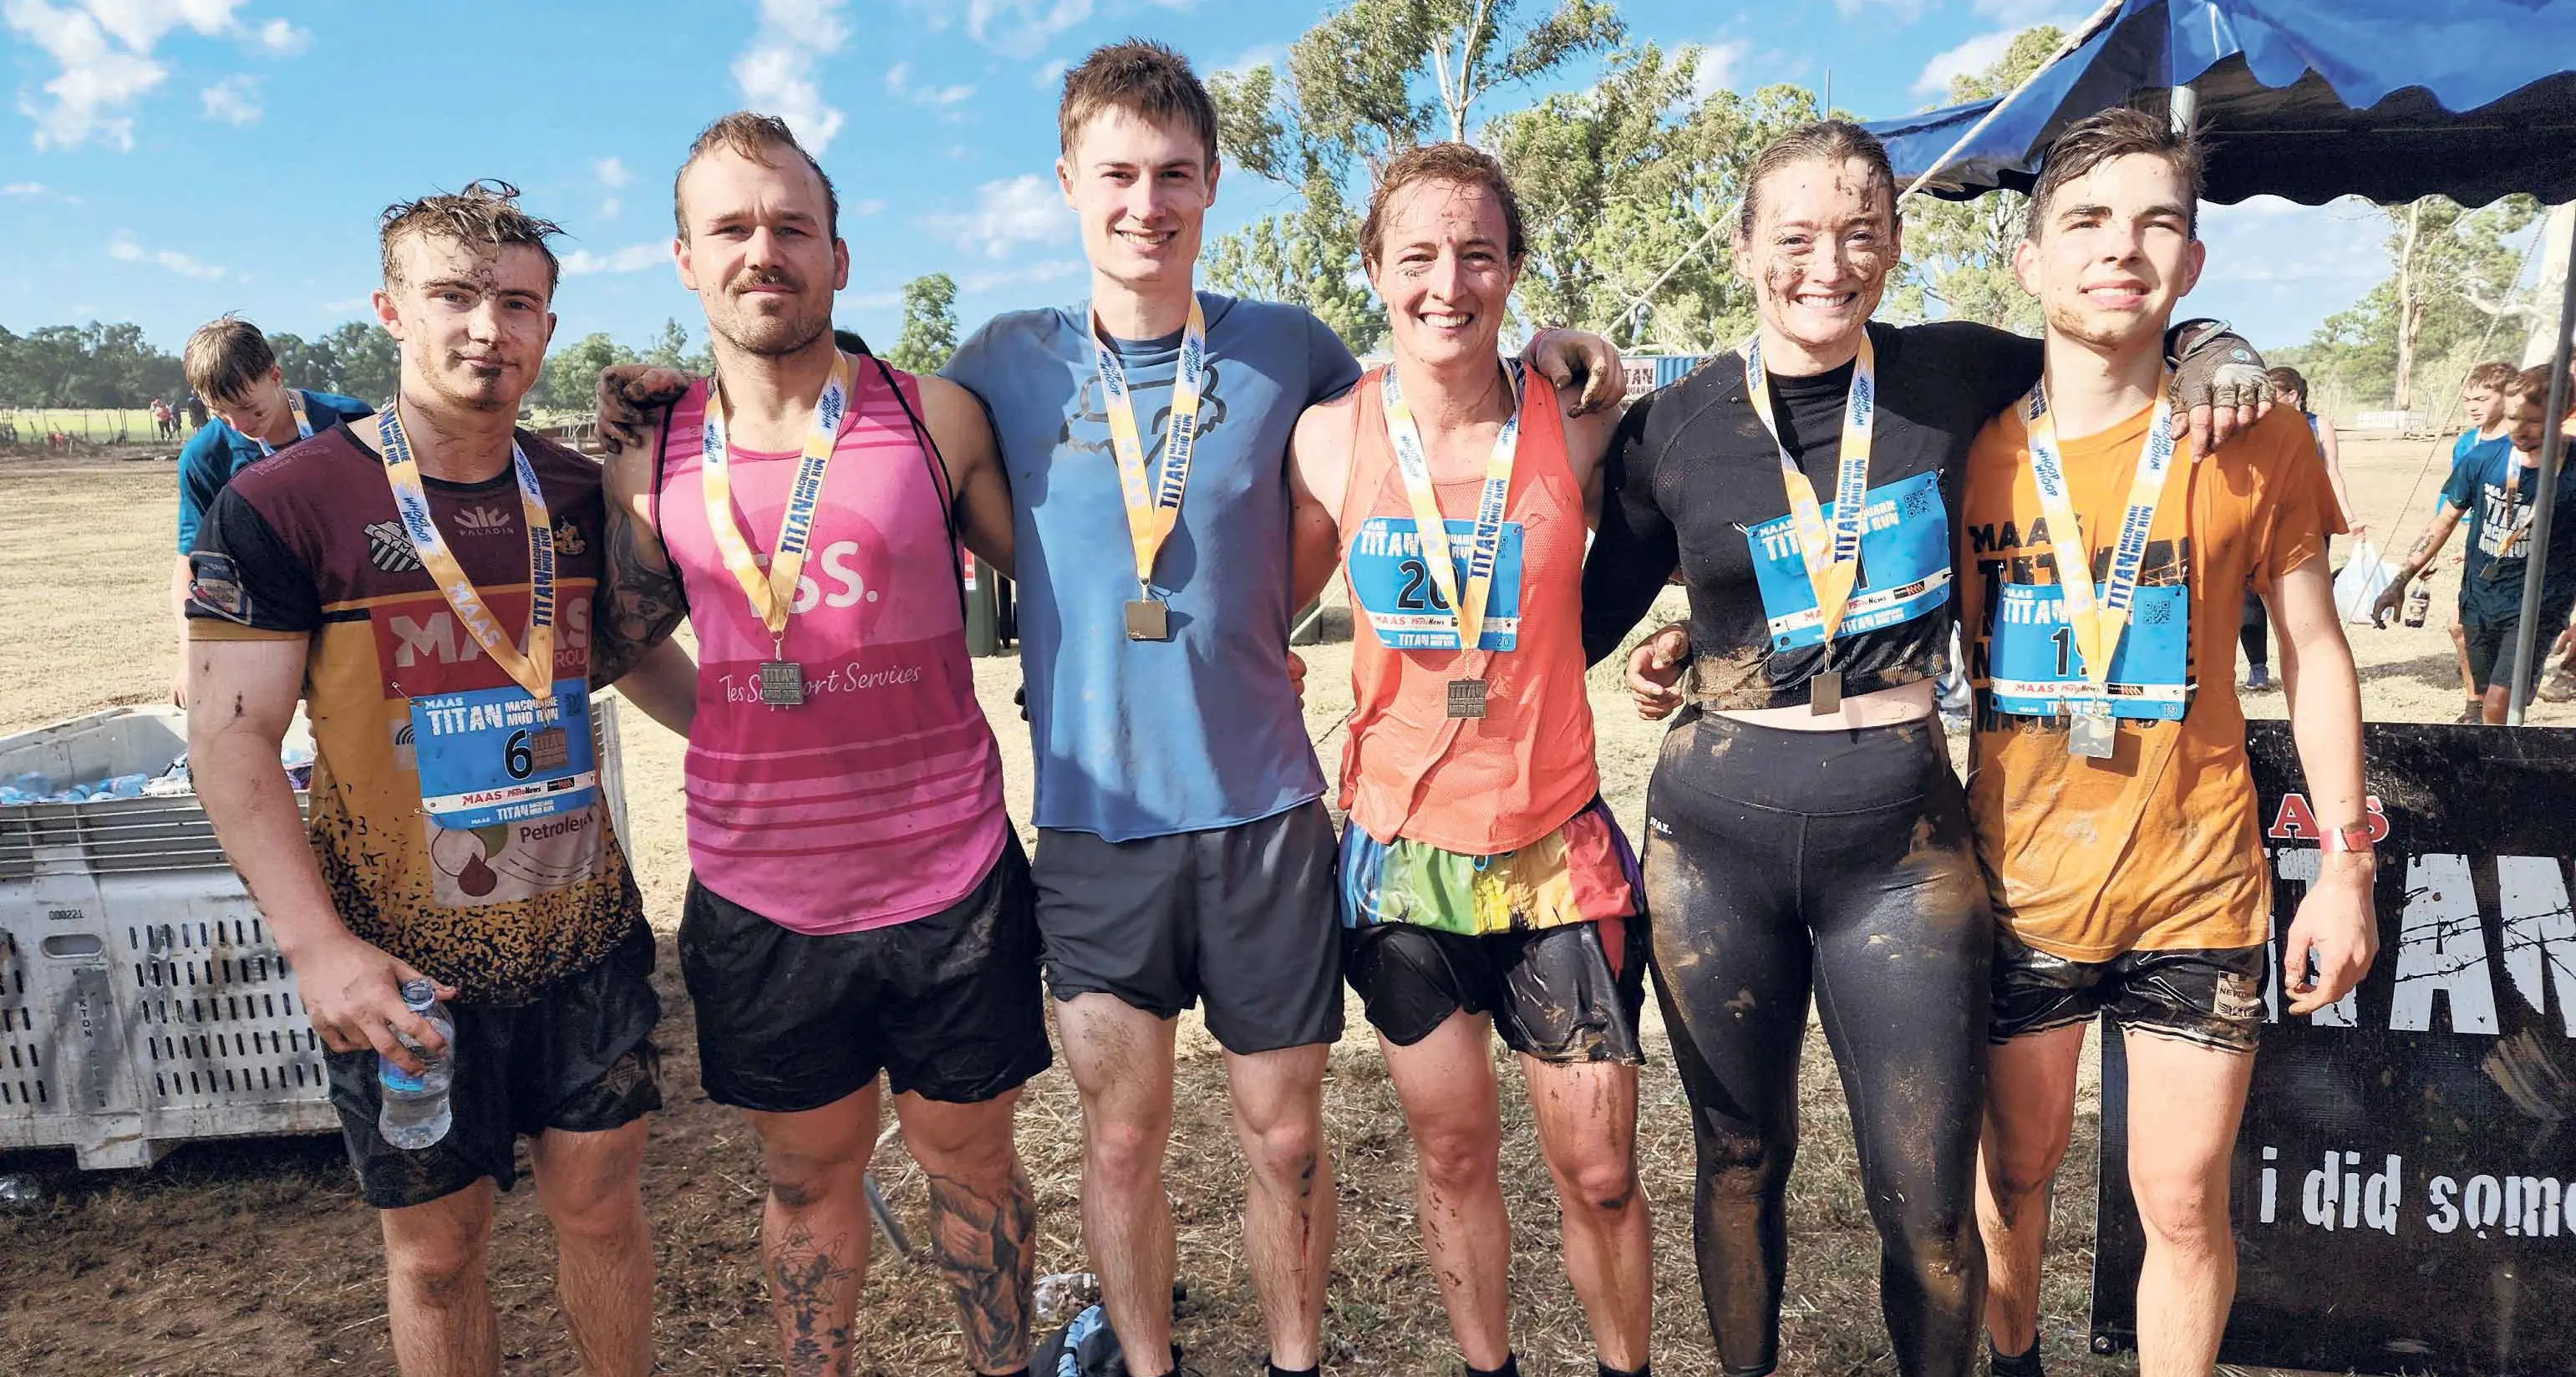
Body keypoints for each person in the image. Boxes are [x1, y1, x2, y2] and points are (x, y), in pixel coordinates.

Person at [1580, 117, 2266, 1377]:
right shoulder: (1669, 427)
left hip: (1898, 842)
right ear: (1741, 251)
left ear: (1894, 247)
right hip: (1712, 836)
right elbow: (1574, 617)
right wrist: (1546, 392)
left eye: (1857, 234)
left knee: (1931, 1203)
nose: (1825, 265)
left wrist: (2209, 341)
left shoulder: (1948, 375)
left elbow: (2108, 336)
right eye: (1792, 237)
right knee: (1736, 1158)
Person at [185, 182, 683, 1377]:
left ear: (548, 330)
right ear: (390, 312)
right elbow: (228, 738)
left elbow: (622, 655)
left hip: (581, 931)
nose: (486, 329)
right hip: (399, 959)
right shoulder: (282, 501)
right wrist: (318, 950)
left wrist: (763, 755)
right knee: (440, 1251)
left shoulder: (573, 487)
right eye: (453, 296)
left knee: (603, 1210)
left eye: (517, 304)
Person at [587, 112, 1048, 1377]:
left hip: (950, 879)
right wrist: (734, 724)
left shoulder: (934, 416)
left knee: (972, 1164)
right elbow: (622, 641)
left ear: (839, 256)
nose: (763, 250)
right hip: (761, 896)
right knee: (802, 1180)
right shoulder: (650, 452)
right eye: (730, 227)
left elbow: (1063, 583)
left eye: (792, 225)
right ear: (685, 258)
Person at [1957, 108, 2376, 1377]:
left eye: (2155, 225)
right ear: (2027, 261)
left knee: (2183, 1204)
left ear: (2190, 265)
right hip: (2015, 888)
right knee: (2013, 1177)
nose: (2119, 250)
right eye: (2082, 221)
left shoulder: (2251, 438)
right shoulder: (1958, 448)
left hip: (2195, 887)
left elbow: (2312, 654)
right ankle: (2014, 1357)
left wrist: (2346, 866)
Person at [1284, 143, 1648, 1377]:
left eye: (1478, 254)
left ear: (1511, 273)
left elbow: (1692, 516)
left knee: (1598, 1173)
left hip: (1555, 852)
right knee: (1449, 1157)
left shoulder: (1575, 416)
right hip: (1402, 861)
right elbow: (1247, 604)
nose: (1449, 282)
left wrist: (1579, 340)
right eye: (1420, 255)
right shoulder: (1326, 440)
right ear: (1375, 271)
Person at [170, 314, 374, 706]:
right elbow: (189, 563)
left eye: (251, 409)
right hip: (267, 618)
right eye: (221, 413)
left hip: (351, 613)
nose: (240, 425)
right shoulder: (205, 456)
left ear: (276, 375)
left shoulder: (350, 420)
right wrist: (188, 654)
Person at [2372, 363, 2576, 722]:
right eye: (2513, 418)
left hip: (2538, 606)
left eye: (2533, 420)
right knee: (2483, 701)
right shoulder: (2483, 457)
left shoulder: (2572, 466)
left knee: (2500, 703)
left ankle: (2500, 776)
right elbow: (2444, 520)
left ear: (2563, 414)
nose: (2520, 429)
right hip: (2481, 599)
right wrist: (2400, 580)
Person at [2237, 366, 2361, 692]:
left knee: (2305, 602)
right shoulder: (2254, 422)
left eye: (2273, 392)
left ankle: (2306, 665)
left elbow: (2333, 471)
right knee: (2250, 599)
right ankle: (2258, 666)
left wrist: (2346, 514)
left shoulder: (2318, 425)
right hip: (2260, 521)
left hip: (2308, 519)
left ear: (2294, 395)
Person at [2434, 364, 2522, 718]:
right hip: (2476, 553)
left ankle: (2494, 703)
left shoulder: (2521, 441)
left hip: (2513, 554)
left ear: (2506, 397)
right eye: (2467, 399)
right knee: (2458, 626)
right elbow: (2453, 502)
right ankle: (2475, 701)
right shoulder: (2466, 444)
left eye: (2482, 399)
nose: (2472, 407)